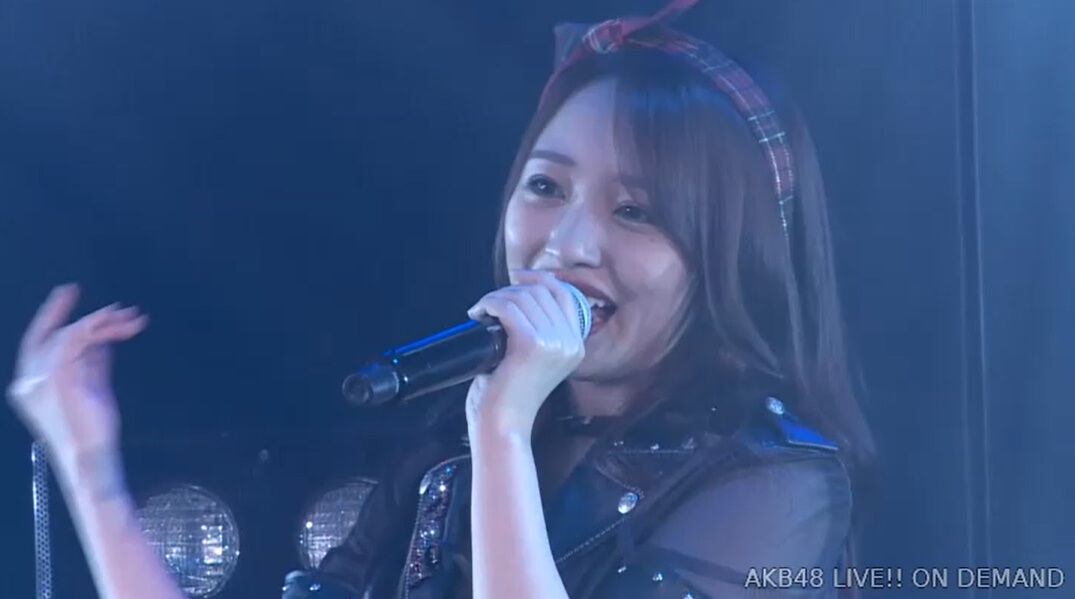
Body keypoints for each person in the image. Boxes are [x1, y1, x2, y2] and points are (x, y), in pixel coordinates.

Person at [8, 1, 874, 598]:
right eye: (545, 187)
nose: (567, 244)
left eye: (635, 211)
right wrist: (92, 469)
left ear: (724, 257)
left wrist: (500, 428)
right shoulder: (446, 461)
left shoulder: (777, 486)